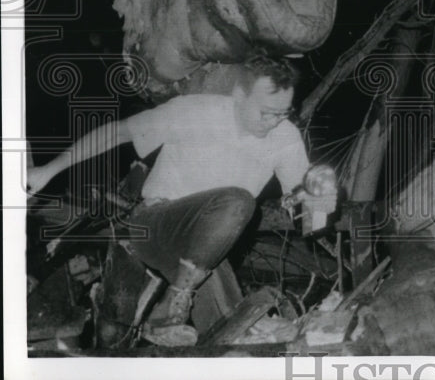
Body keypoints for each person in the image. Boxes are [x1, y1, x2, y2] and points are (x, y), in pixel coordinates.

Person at [26, 56, 328, 347]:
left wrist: (314, 203)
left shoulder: (285, 135)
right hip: (156, 224)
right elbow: (117, 133)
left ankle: (168, 316)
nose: (273, 122)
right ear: (239, 95)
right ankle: (172, 305)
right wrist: (49, 170)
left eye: (282, 113)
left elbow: (297, 196)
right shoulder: (194, 112)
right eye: (265, 112)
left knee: (230, 333)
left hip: (204, 249)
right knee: (238, 201)